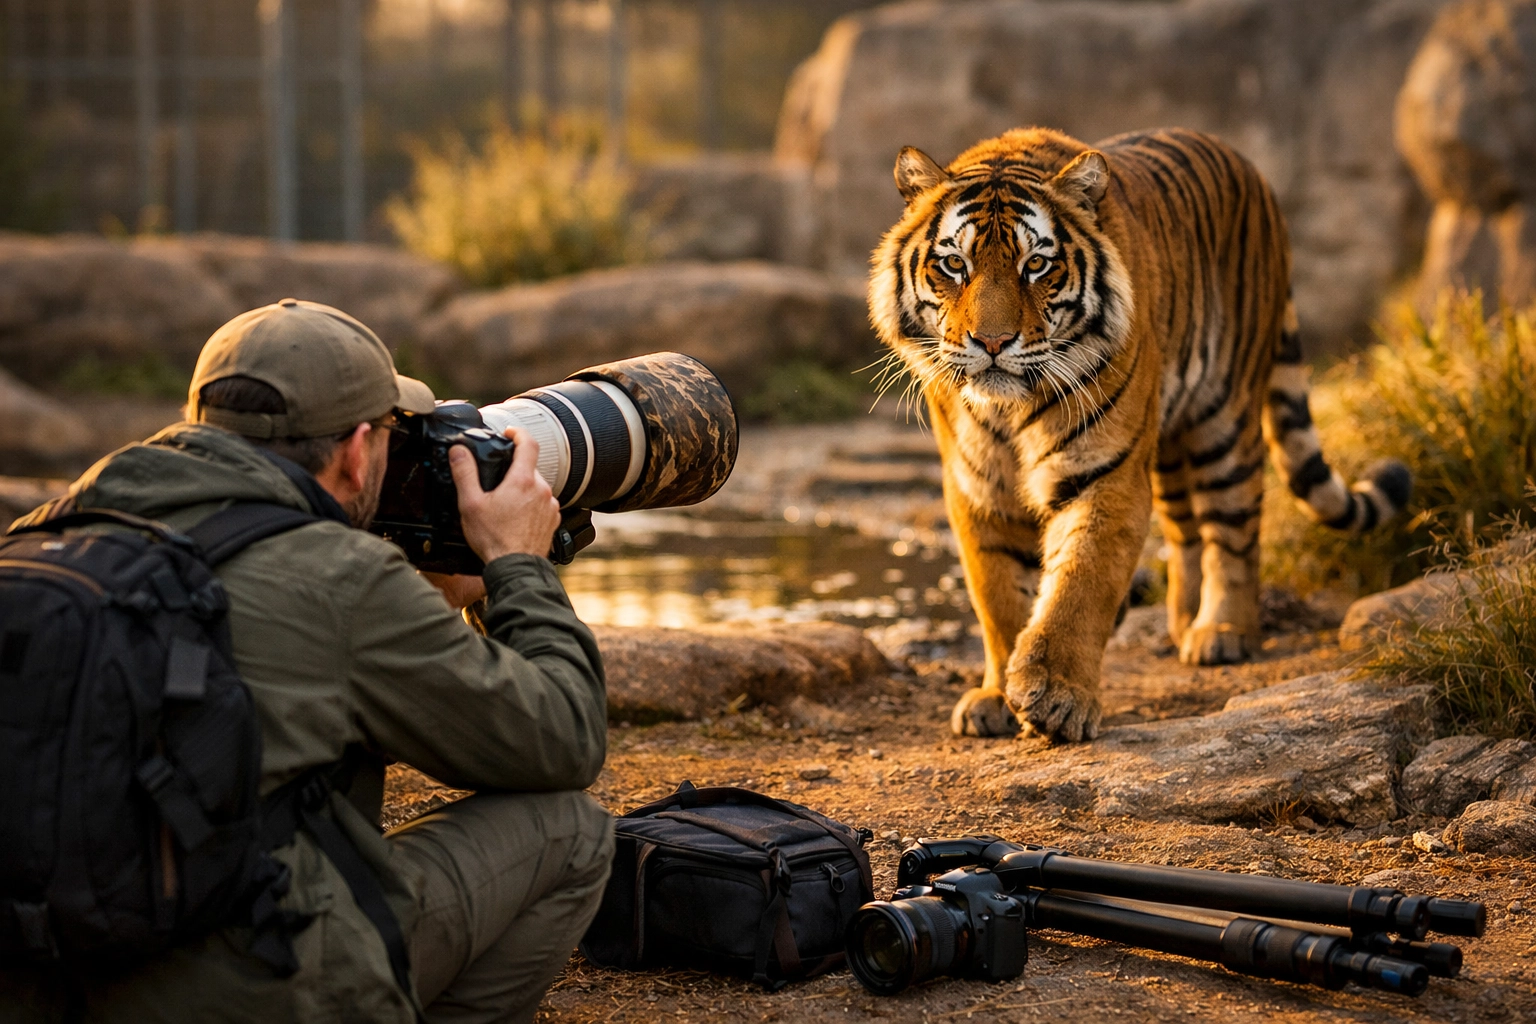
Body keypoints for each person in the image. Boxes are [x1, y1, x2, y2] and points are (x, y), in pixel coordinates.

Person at [2, 299, 613, 1023]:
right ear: (356, 452)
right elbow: (562, 740)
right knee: (571, 831)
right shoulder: (338, 577)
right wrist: (517, 566)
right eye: (391, 436)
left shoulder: (48, 532)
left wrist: (435, 597)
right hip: (245, 987)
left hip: (40, 974)